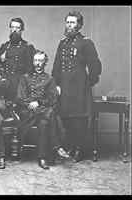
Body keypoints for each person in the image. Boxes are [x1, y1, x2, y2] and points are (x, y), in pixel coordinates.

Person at [52, 11, 102, 162]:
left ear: (79, 25)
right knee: (66, 119)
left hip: (80, 88)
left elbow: (95, 66)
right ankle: (71, 146)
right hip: (64, 88)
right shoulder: (62, 43)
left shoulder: (86, 43)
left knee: (79, 120)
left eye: (73, 23)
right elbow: (56, 67)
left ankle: (79, 149)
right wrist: (56, 84)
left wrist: (87, 83)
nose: (69, 25)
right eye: (67, 22)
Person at [17, 51, 70, 170]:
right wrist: (30, 103)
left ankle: (42, 158)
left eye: (40, 61)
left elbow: (53, 99)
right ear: (32, 62)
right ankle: (57, 146)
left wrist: (39, 102)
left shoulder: (49, 79)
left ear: (45, 63)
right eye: (36, 61)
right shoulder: (25, 78)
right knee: (50, 113)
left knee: (44, 123)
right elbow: (20, 98)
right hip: (28, 113)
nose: (38, 64)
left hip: (43, 113)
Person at [0, 17, 35, 102]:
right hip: (5, 84)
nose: (14, 30)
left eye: (17, 28)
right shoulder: (4, 46)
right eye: (12, 27)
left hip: (19, 85)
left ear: (22, 30)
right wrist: (0, 60)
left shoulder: (27, 47)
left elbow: (30, 70)